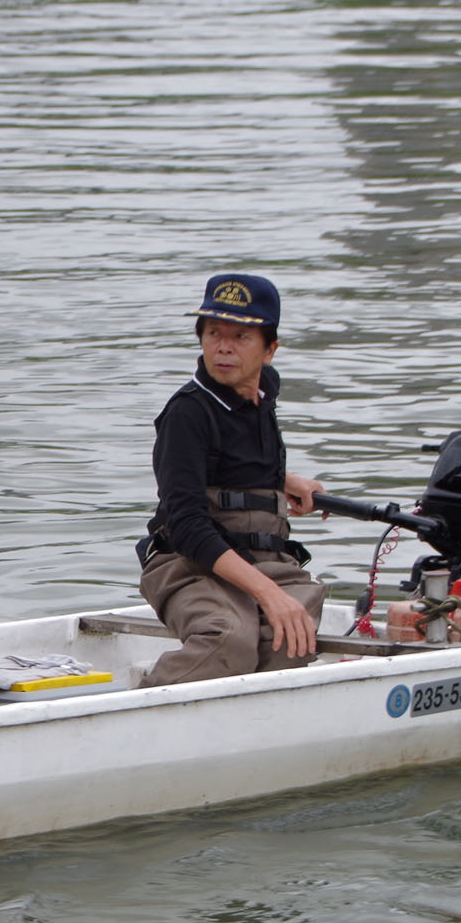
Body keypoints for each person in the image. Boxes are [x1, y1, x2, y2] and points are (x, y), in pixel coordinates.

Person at [137, 274, 326, 684]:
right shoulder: (187, 414)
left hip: (267, 559)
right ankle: (133, 712)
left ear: (270, 350)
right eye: (213, 333)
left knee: (291, 638)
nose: (223, 347)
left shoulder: (261, 395)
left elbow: (230, 460)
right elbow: (186, 526)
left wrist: (284, 480)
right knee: (228, 639)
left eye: (241, 336)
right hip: (189, 565)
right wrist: (269, 594)